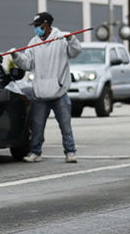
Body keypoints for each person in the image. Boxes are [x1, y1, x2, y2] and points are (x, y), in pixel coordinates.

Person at [11, 12, 81, 163]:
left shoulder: (61, 39)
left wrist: (71, 39)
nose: (36, 29)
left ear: (47, 24)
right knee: (37, 126)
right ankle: (36, 152)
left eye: (39, 26)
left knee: (65, 125)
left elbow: (75, 52)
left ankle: (70, 152)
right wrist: (16, 57)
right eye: (35, 26)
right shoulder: (33, 42)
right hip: (41, 94)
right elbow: (27, 64)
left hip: (59, 93)